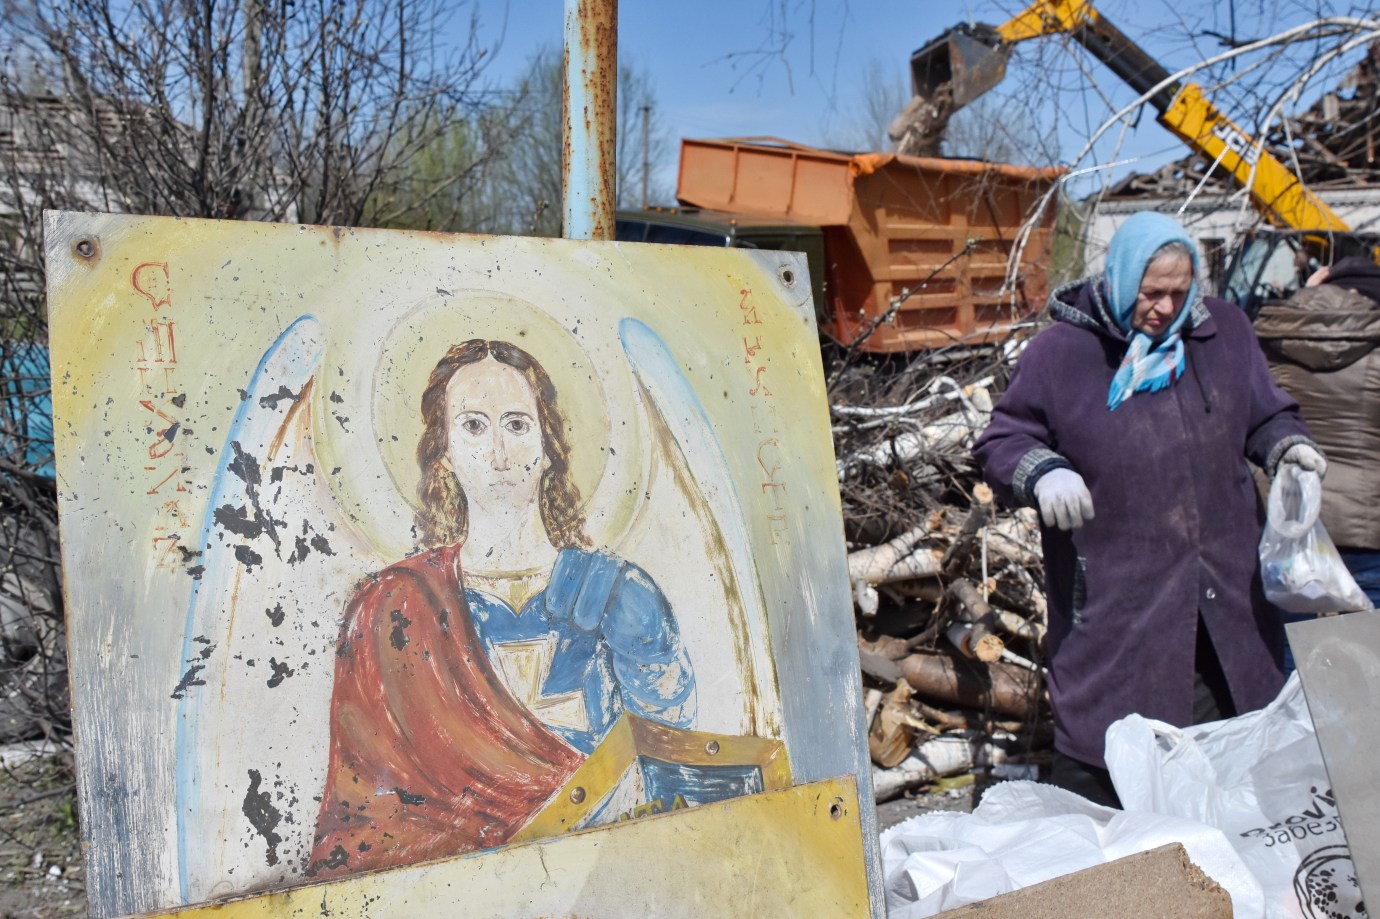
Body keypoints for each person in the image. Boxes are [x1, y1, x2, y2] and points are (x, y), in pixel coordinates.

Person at [972, 212, 1325, 807]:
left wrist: (1287, 448)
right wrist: (1043, 471)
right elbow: (1003, 441)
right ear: (1120, 278)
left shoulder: (1224, 335)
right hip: (1119, 598)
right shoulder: (1063, 354)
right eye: (1151, 293)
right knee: (1111, 767)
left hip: (1225, 593)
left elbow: (1267, 414)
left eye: (1179, 293)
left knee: (1235, 757)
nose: (1166, 308)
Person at [308, 339, 696, 877]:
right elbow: (364, 827)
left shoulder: (621, 598)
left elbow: (678, 780)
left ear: (548, 443)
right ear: (442, 449)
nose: (499, 452)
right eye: (472, 425)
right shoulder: (393, 609)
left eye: (517, 424)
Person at [1255, 255, 1380, 607]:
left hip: (1284, 521)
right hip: (1368, 533)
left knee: (1293, 647)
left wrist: (1305, 295)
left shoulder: (1271, 336)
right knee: (1366, 655)